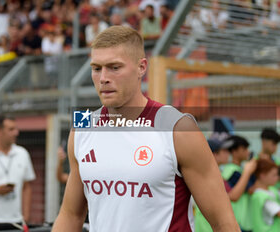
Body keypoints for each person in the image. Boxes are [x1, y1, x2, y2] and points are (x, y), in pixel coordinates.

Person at [52, 26, 239, 231]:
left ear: (141, 67)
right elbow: (70, 215)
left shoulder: (178, 128)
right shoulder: (82, 127)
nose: (104, 77)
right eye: (97, 68)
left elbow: (223, 222)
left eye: (114, 67)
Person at [195, 138, 257, 232]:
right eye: (224, 151)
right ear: (214, 154)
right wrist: (247, 171)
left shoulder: (216, 173)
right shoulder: (207, 174)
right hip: (206, 227)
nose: (228, 153)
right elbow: (233, 196)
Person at [222, 135, 254, 232]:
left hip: (242, 221)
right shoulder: (232, 171)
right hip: (238, 221)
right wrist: (249, 170)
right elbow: (251, 189)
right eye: (244, 149)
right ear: (234, 151)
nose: (247, 152)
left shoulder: (239, 170)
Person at [251, 158, 280, 232]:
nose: (277, 178)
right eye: (274, 175)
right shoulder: (260, 196)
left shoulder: (271, 189)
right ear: (262, 175)